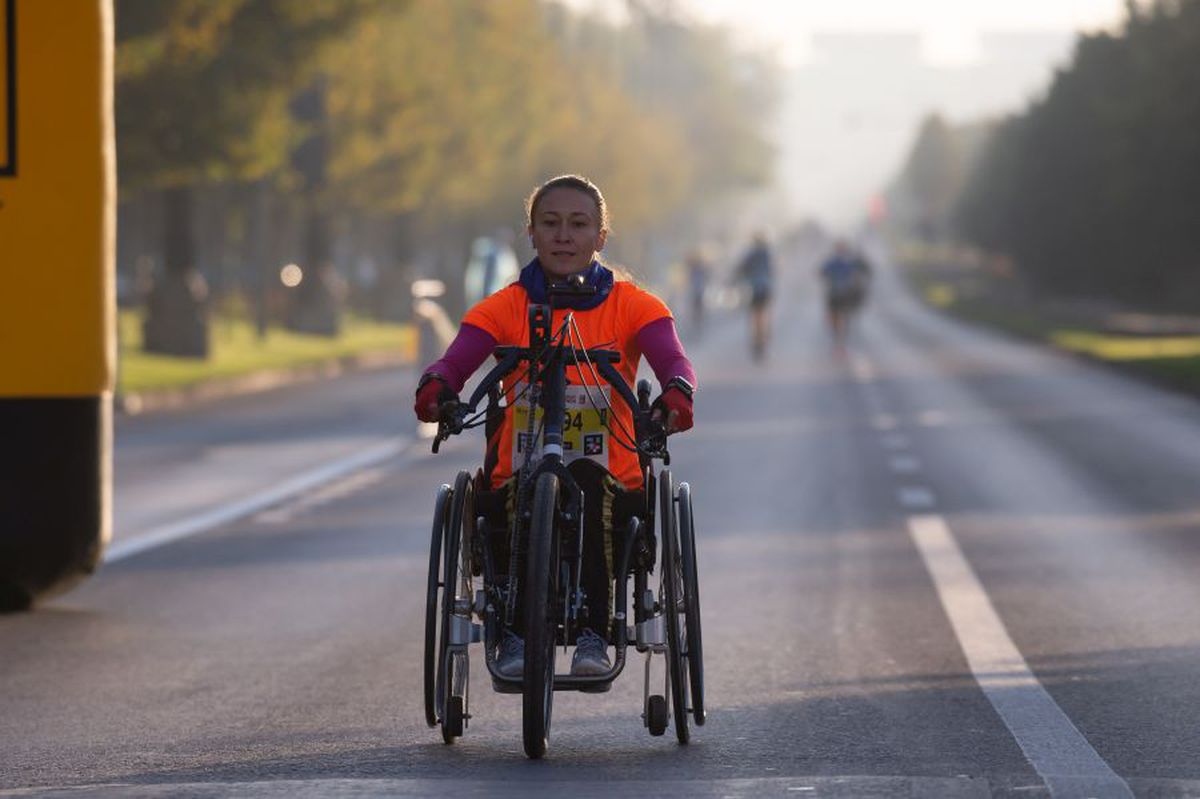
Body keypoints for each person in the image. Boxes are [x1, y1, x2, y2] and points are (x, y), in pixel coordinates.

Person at [413, 175, 697, 680]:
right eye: (550, 223)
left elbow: (674, 361)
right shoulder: (503, 307)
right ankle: (514, 633)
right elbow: (455, 361)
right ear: (532, 233)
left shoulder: (635, 306)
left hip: (612, 479)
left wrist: (677, 392)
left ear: (600, 236)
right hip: (516, 475)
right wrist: (438, 386)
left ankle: (594, 633)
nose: (564, 235)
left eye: (578, 224)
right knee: (525, 489)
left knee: (584, 478)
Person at [819, 239, 871, 346]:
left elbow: (865, 269)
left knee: (844, 316)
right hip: (834, 293)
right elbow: (822, 272)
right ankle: (838, 337)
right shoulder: (832, 262)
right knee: (835, 317)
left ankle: (841, 339)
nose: (841, 250)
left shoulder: (850, 261)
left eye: (842, 248)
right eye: (840, 248)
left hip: (845, 294)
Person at [736, 233, 774, 361]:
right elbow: (772, 270)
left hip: (755, 288)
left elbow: (742, 268)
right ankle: (763, 337)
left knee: (755, 315)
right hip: (766, 288)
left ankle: (757, 340)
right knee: (764, 314)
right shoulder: (768, 254)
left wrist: (739, 277)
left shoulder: (752, 254)